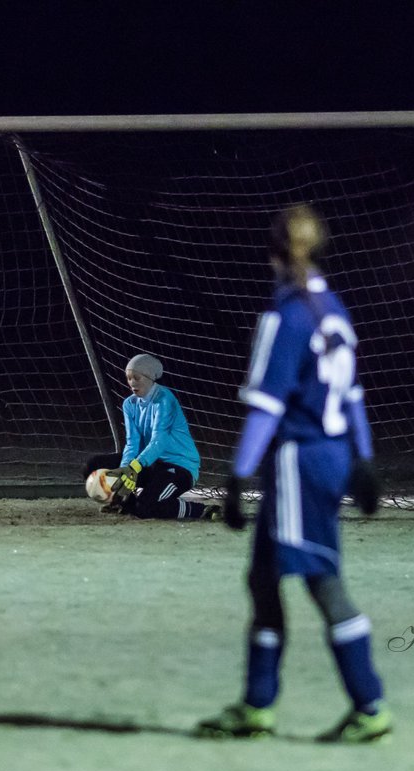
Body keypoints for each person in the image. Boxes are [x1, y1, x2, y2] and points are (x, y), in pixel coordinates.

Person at [196, 204, 389, 743]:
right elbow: (352, 394)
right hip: (330, 456)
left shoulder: (285, 316)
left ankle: (370, 706)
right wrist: (364, 459)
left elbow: (266, 407)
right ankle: (257, 706)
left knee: (323, 581)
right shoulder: (334, 310)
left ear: (273, 255)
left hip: (298, 461)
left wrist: (236, 477)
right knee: (262, 579)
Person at [83, 354, 218, 521]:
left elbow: (158, 441)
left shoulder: (165, 400)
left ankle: (200, 510)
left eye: (136, 377)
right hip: (148, 464)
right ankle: (122, 501)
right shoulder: (129, 404)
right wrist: (126, 468)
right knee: (93, 465)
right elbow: (132, 443)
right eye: (129, 378)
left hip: (178, 467)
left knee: (145, 508)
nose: (132, 383)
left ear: (149, 377)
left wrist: (134, 468)